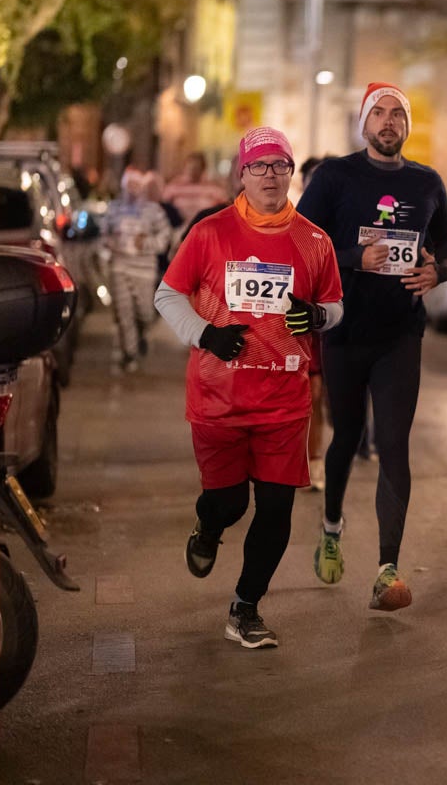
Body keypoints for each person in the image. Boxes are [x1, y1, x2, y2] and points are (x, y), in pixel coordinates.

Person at [154, 126, 344, 648]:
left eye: (280, 165)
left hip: (284, 400)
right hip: (219, 398)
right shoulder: (210, 232)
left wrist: (317, 316)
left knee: (278, 508)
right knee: (230, 502)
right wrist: (207, 334)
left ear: (290, 171)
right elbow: (167, 296)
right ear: (241, 174)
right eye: (259, 166)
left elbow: (334, 306)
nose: (270, 175)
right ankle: (208, 528)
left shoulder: (313, 239)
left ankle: (246, 606)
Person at [297, 82, 447, 609]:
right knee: (346, 434)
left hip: (400, 332)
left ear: (407, 126)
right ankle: (331, 528)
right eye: (379, 113)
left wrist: (439, 270)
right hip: (343, 330)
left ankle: (388, 569)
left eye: (397, 114)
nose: (388, 122)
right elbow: (303, 242)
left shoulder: (426, 181)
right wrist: (352, 260)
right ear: (364, 123)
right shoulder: (334, 177)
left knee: (393, 442)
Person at [103, 167, 172, 374]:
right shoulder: (114, 209)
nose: (132, 189)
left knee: (144, 312)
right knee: (124, 312)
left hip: (144, 270)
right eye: (129, 185)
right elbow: (103, 234)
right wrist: (109, 244)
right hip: (120, 267)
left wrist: (147, 244)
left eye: (136, 185)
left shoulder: (154, 211)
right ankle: (129, 354)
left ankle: (141, 333)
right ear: (124, 186)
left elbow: (164, 237)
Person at [297, 155, 335, 492]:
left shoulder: (343, 221)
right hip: (294, 321)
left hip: (329, 321)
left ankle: (315, 462)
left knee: (316, 393)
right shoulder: (292, 222)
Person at [163, 151, 229, 226]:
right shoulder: (174, 186)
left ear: (202, 169)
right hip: (178, 227)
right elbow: (163, 206)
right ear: (185, 168)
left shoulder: (213, 188)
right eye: (190, 168)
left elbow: (225, 207)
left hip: (206, 226)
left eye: (196, 168)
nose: (193, 172)